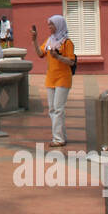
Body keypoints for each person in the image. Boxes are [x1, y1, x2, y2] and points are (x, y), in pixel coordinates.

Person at [31, 15, 75, 147]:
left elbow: (71, 61)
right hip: (51, 78)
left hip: (63, 78)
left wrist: (58, 57)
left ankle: (58, 139)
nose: (49, 27)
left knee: (58, 109)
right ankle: (61, 135)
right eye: (49, 24)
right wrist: (34, 40)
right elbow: (40, 53)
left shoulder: (67, 42)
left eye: (52, 24)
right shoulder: (50, 40)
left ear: (59, 25)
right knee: (52, 109)